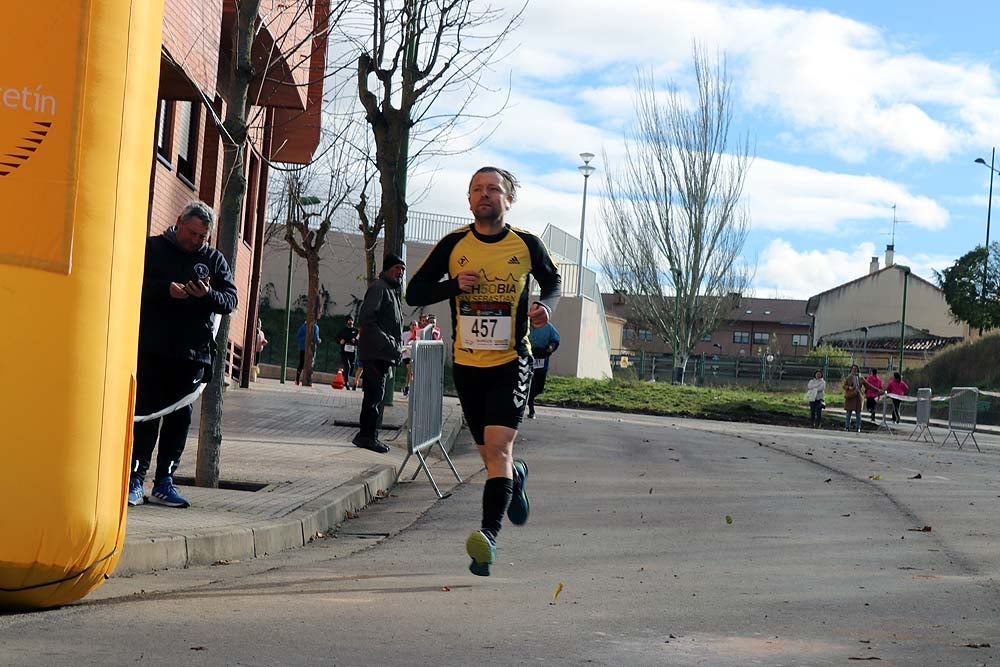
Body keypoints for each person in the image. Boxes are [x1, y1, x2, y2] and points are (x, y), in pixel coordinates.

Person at [406, 166, 561, 576]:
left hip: (512, 361)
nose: (485, 195)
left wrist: (546, 307)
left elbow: (553, 282)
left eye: (493, 189)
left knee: (497, 449)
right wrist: (453, 285)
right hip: (467, 366)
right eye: (477, 189)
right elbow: (415, 292)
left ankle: (487, 540)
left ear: (508, 199)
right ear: (469, 199)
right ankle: (517, 477)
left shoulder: (526, 245)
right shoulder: (453, 245)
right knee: (491, 456)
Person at [128, 201, 238, 508]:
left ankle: (165, 481)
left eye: (203, 236)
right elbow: (132, 282)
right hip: (152, 348)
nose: (196, 241)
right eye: (192, 233)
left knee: (179, 419)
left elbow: (230, 300)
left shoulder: (213, 260)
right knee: (147, 415)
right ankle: (135, 479)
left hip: (192, 355)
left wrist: (207, 295)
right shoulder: (153, 249)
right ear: (179, 222)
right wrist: (166, 290)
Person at [353, 252, 406, 453]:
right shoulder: (379, 289)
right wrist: (391, 344)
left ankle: (370, 435)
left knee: (376, 396)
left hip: (383, 354)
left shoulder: (391, 291)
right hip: (376, 353)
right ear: (387, 269)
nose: (400, 273)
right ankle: (366, 437)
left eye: (402, 269)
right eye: (397, 269)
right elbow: (368, 320)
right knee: (373, 397)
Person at [527, 321, 560, 419]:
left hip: (542, 358)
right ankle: (531, 408)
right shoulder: (527, 325)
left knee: (539, 387)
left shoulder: (549, 327)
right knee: (531, 384)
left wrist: (551, 347)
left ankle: (529, 399)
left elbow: (555, 340)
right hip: (529, 357)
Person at [335, 315, 359, 389]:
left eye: (351, 320)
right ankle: (346, 383)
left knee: (351, 367)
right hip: (344, 351)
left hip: (352, 351)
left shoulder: (356, 331)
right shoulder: (343, 330)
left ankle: (343, 374)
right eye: (349, 320)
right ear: (346, 322)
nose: (350, 321)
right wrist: (340, 341)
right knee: (347, 366)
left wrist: (355, 341)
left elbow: (360, 340)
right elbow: (336, 338)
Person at [295, 319, 321, 385]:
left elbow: (316, 337)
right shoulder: (303, 327)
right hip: (303, 348)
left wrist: (318, 340)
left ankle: (309, 379)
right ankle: (297, 379)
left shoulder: (316, 327)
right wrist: (306, 338)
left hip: (312, 348)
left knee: (311, 363)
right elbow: (298, 337)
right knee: (301, 363)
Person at [843, 364, 864, 432]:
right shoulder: (849, 377)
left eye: (855, 369)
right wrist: (849, 387)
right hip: (851, 397)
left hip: (858, 397)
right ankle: (847, 426)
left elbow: (866, 385)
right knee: (848, 413)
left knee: (858, 414)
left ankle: (858, 427)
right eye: (853, 369)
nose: (854, 370)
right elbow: (844, 386)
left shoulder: (860, 377)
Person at [401, 319, 418, 396]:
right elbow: (400, 341)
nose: (414, 326)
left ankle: (407, 386)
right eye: (412, 325)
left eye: (415, 325)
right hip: (406, 355)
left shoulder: (418, 334)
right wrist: (402, 348)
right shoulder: (405, 334)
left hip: (414, 355)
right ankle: (410, 388)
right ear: (410, 326)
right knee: (410, 370)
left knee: (410, 372)